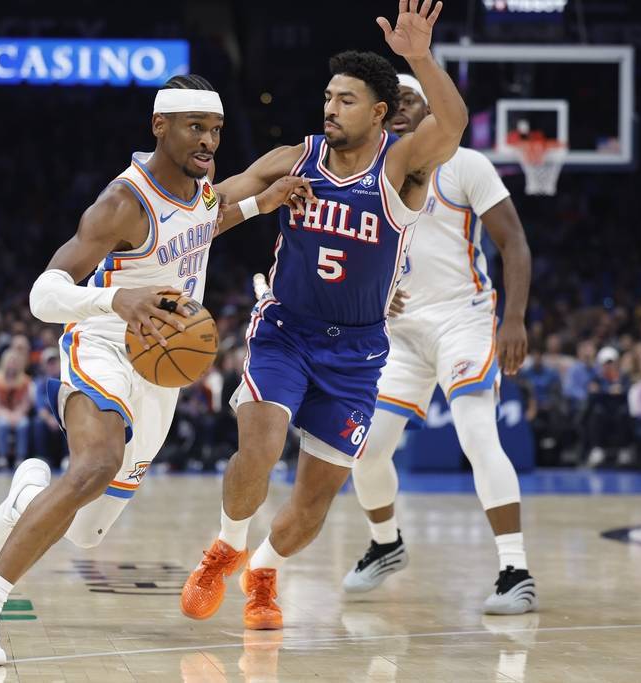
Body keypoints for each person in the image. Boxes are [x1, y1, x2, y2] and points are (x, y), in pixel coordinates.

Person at [0, 74, 310, 666]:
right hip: (106, 342)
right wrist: (116, 299)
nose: (208, 140)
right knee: (96, 463)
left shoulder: (201, 185)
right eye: (195, 127)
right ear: (159, 125)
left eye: (216, 129)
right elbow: (42, 295)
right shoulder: (122, 202)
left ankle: (27, 496)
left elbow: (202, 224)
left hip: (162, 370)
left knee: (86, 532)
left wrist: (259, 204)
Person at [181, 1, 470, 631]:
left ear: (379, 112)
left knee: (313, 504)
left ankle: (263, 571)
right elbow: (213, 204)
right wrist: (177, 208)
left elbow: (453, 122)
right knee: (259, 445)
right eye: (328, 97)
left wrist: (420, 57)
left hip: (358, 353)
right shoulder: (297, 156)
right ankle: (226, 546)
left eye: (345, 100)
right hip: (285, 331)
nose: (330, 108)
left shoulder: (401, 166)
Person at [339, 67, 534, 612]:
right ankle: (386, 544)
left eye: (410, 100)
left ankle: (515, 570)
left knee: (478, 437)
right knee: (365, 450)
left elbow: (514, 243)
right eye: (392, 102)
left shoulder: (466, 164)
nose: (400, 108)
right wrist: (374, 297)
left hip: (461, 319)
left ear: (430, 108)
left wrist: (514, 319)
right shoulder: (370, 171)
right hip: (400, 333)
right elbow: (354, 252)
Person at [0, 349, 33, 469]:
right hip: (0, 412)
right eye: (10, 361)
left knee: (23, 424)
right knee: (2, 424)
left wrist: (17, 414)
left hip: (18, 414)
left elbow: (26, 403)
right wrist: (6, 414)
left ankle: (20, 457)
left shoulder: (25, 381)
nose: (12, 364)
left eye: (15, 362)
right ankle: (2, 457)